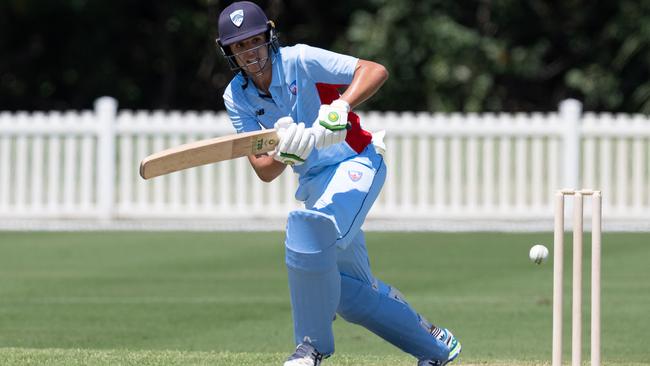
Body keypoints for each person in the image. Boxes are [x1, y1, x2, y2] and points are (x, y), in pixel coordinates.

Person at [216, 2, 461, 365]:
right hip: (314, 182)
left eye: (255, 41)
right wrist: (286, 154)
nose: (250, 53)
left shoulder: (299, 60)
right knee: (348, 295)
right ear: (230, 52)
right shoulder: (236, 97)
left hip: (356, 161)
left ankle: (310, 347)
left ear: (269, 37)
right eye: (239, 46)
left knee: (309, 231)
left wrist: (341, 107)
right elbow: (264, 169)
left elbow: (374, 70)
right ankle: (437, 347)